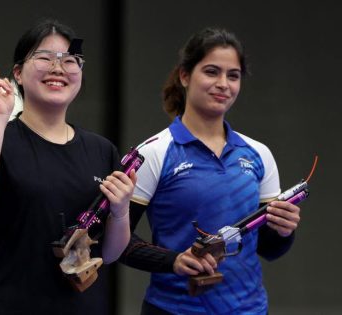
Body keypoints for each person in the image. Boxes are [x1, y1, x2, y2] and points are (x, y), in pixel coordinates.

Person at [0, 18, 136, 315]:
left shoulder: (101, 150)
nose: (58, 68)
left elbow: (111, 252)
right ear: (18, 73)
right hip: (8, 305)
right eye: (44, 57)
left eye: (70, 60)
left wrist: (121, 211)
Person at [119, 27, 302, 314]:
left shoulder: (258, 154)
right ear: (184, 76)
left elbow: (270, 249)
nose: (223, 84)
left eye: (233, 75)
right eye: (211, 72)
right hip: (172, 309)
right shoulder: (152, 153)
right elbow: (117, 241)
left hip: (250, 309)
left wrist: (284, 230)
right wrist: (174, 261)